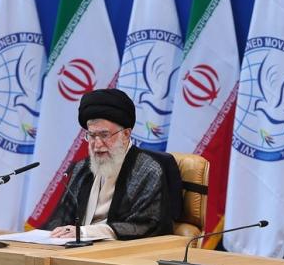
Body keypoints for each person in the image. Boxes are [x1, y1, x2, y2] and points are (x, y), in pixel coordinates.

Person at [43, 88, 183, 240]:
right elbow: (61, 217)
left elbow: (147, 225)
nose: (97, 144)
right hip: (74, 250)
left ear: (126, 134)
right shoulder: (81, 168)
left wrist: (85, 233)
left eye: (104, 135)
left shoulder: (147, 170)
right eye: (91, 135)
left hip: (120, 254)